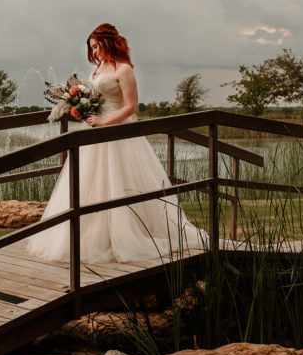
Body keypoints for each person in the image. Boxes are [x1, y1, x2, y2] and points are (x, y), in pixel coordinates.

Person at [25, 23, 207, 263]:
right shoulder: (98, 70)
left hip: (116, 131)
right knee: (90, 185)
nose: (95, 52)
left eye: (97, 46)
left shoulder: (124, 70)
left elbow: (131, 106)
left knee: (119, 182)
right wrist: (82, 110)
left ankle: (125, 235)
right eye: (91, 48)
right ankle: (95, 236)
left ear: (107, 43)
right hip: (93, 131)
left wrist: (105, 122)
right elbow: (97, 99)